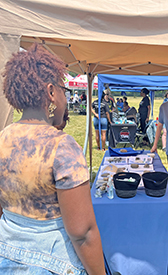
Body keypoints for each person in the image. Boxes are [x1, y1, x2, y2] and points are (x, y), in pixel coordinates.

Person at [0, 44, 105, 274]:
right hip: (53, 263)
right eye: (63, 90)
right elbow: (83, 233)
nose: (66, 97)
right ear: (51, 92)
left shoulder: (3, 137)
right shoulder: (62, 147)